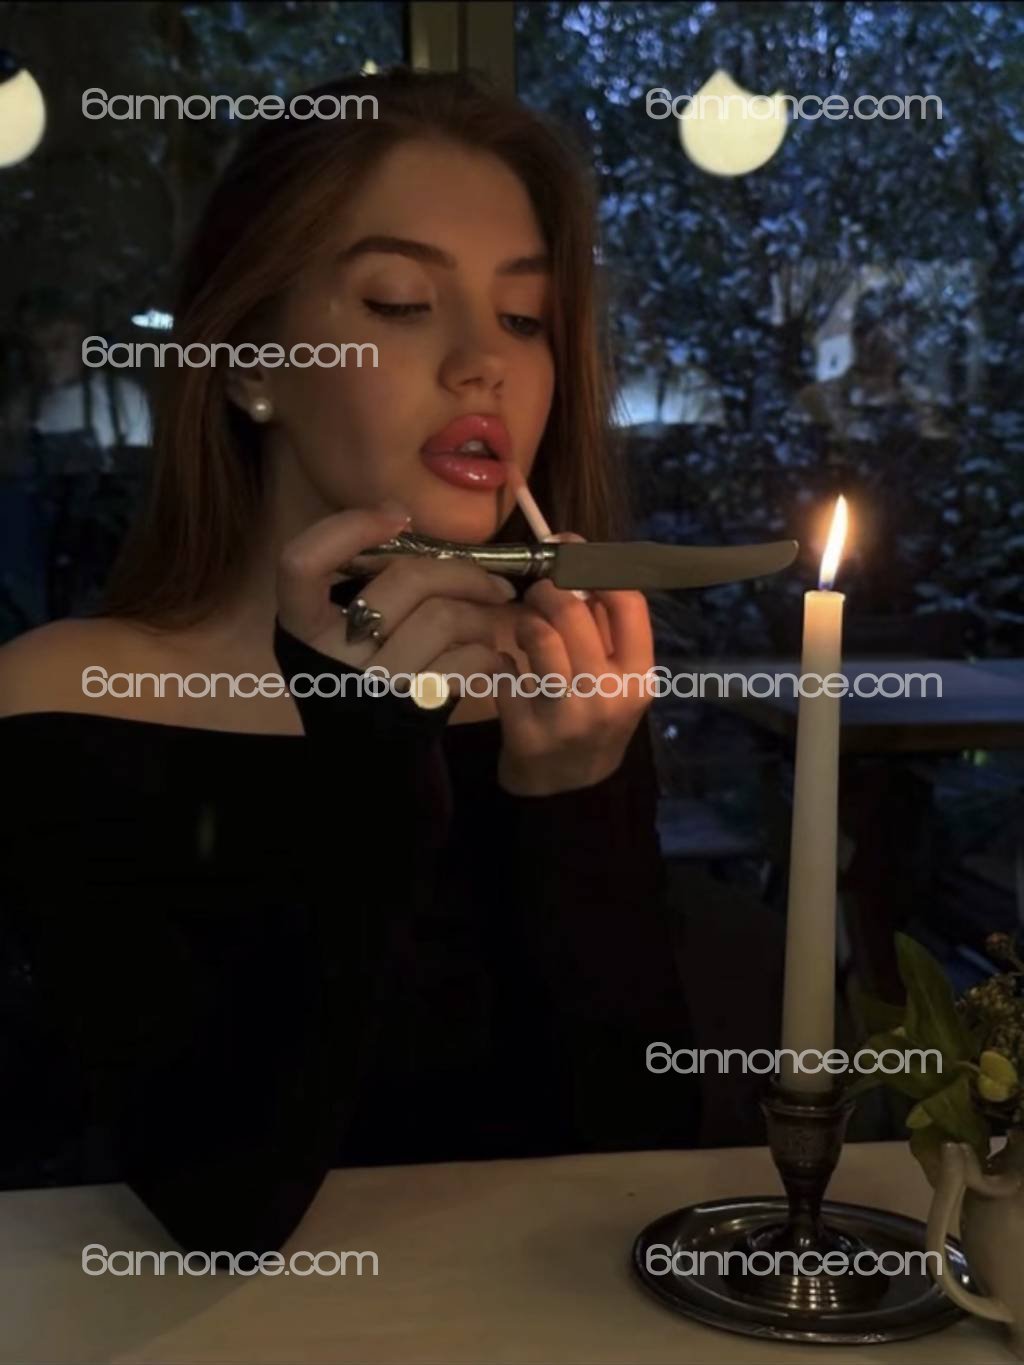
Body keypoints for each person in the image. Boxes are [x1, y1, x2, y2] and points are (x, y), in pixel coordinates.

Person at [0, 67, 699, 1256]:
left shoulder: (558, 698)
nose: (482, 363)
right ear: (250, 362)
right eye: (398, 302)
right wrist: (364, 765)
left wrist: (573, 806)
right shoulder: (64, 699)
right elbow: (217, 1202)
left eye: (524, 318)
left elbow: (643, 1160)